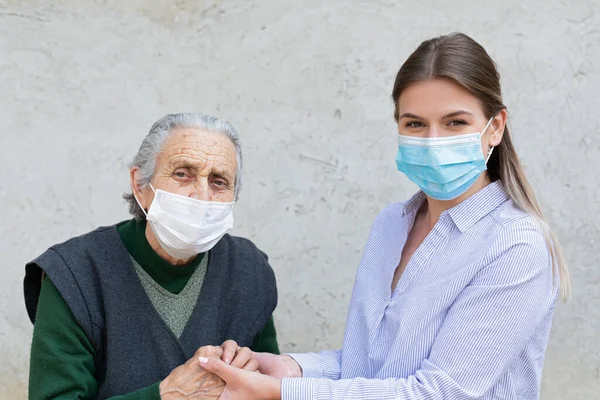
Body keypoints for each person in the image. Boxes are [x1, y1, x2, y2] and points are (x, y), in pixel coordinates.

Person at [198, 32, 572, 399]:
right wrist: (293, 368)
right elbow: (372, 367)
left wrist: (285, 393)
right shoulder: (392, 223)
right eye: (415, 124)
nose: (433, 141)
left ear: (496, 127)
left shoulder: (515, 245)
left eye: (455, 122)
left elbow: (437, 393)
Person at [24, 113, 280, 399]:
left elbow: (273, 386)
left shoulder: (249, 270)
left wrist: (251, 376)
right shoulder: (75, 274)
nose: (203, 195)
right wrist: (166, 395)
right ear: (140, 185)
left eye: (219, 182)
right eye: (183, 174)